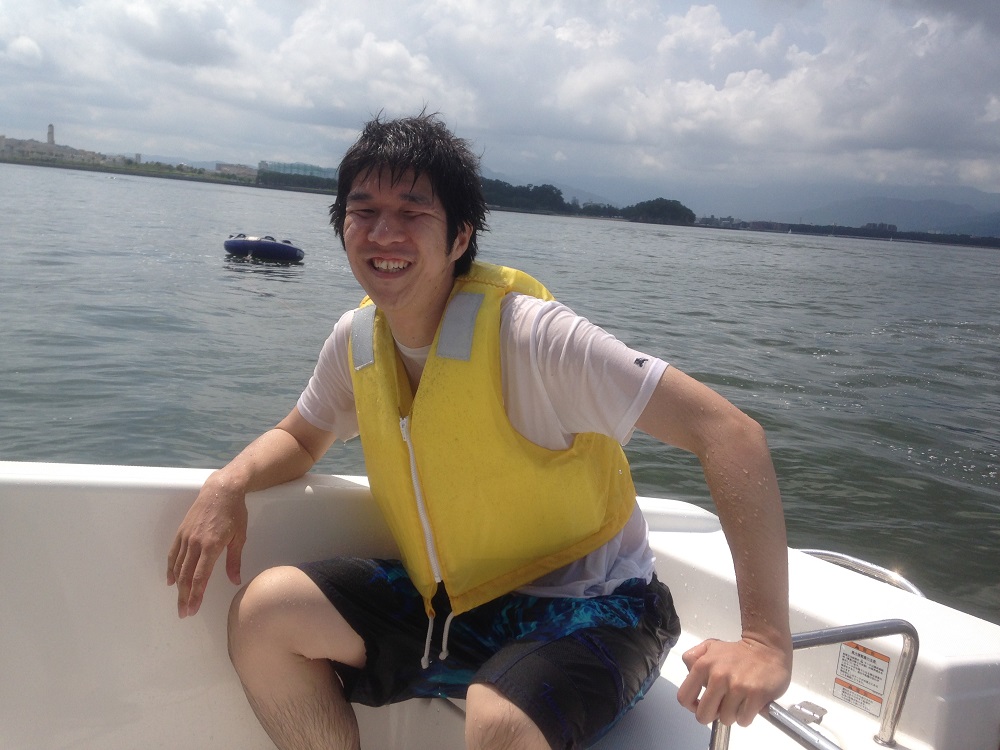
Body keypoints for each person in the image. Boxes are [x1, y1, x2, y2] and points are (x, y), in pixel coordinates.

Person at [167, 112, 792, 750]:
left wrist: (765, 642)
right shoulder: (356, 340)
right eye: (363, 210)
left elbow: (729, 433)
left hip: (599, 606)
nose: (383, 232)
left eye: (412, 211)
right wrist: (228, 483)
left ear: (460, 235)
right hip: (455, 606)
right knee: (264, 615)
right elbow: (303, 438)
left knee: (500, 719)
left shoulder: (533, 336)